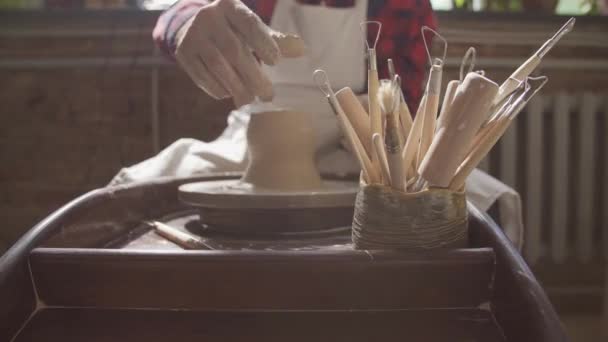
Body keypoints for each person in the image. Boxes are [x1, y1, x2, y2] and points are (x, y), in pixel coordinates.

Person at [111, 0, 524, 249]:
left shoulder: (398, 4)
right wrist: (185, 23)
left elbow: (406, 110)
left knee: (482, 205)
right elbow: (184, 12)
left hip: (363, 142)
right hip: (255, 141)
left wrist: (386, 135)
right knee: (130, 193)